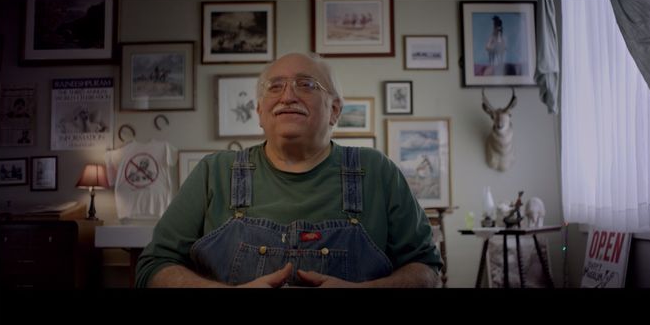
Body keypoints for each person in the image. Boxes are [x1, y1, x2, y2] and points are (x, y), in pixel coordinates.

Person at [135, 53, 442, 288]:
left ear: (335, 109)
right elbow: (153, 266)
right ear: (259, 112)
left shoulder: (377, 172)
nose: (287, 96)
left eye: (306, 84)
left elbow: (427, 270)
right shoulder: (213, 173)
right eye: (275, 87)